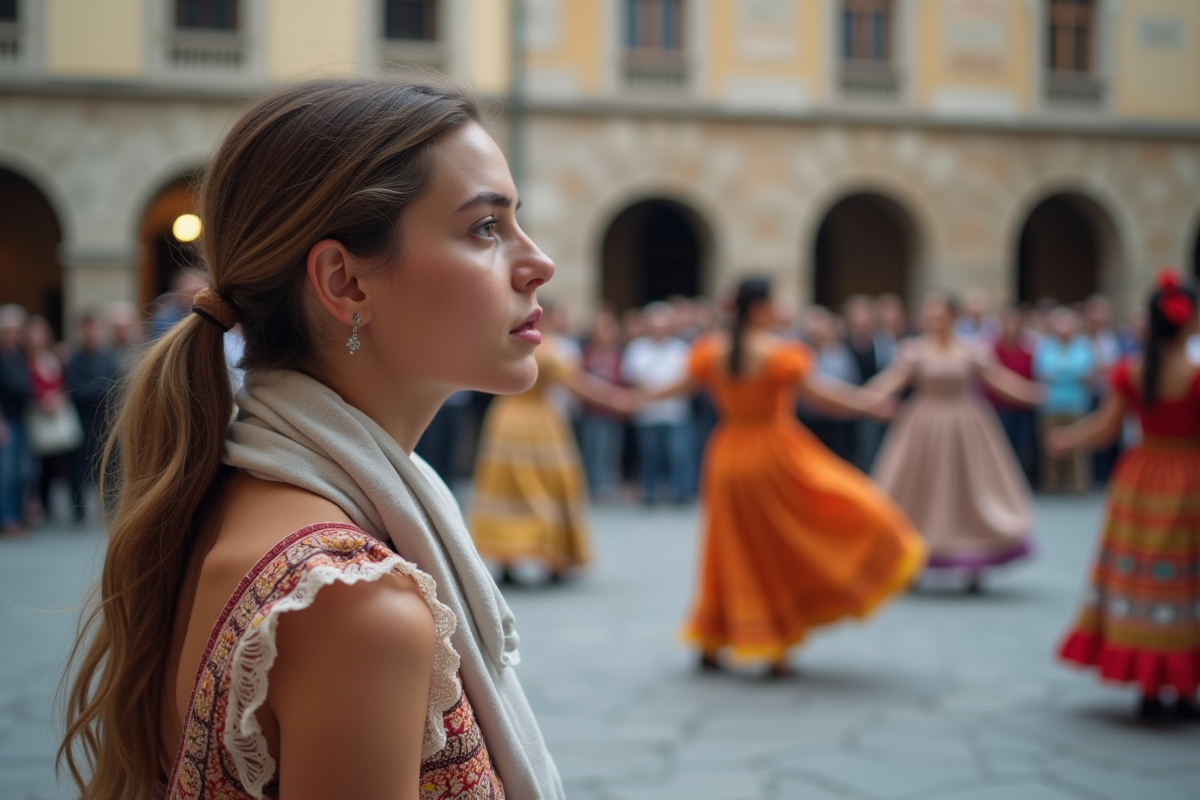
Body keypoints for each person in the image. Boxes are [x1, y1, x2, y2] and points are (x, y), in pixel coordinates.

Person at [60, 79, 564, 800]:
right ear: (345, 282)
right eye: (486, 227)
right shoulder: (350, 605)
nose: (537, 262)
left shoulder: (235, 492)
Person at [646, 277, 924, 675]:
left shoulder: (712, 350)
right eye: (777, 301)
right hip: (774, 453)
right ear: (758, 308)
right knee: (774, 545)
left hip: (727, 456)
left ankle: (712, 641)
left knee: (730, 548)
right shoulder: (779, 353)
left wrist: (630, 398)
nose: (783, 307)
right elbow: (821, 396)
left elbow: (675, 388)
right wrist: (866, 405)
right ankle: (772, 646)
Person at [1049, 270, 1200, 721]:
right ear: (1190, 323)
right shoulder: (1194, 376)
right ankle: (1183, 687)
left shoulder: (1131, 372)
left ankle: (1149, 687)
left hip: (1140, 479)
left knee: (1142, 578)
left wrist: (1069, 439)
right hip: (1190, 480)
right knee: (1184, 580)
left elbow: (1104, 430)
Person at [870, 291, 1043, 592]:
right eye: (929, 314)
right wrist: (859, 399)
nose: (932, 320)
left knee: (968, 492)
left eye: (938, 314)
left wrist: (1033, 394)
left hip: (966, 427)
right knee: (918, 493)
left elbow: (998, 380)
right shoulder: (914, 350)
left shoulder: (971, 350)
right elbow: (890, 382)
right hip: (923, 428)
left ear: (953, 316)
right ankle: (913, 561)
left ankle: (974, 563)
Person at [470, 331, 631, 584]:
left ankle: (507, 559)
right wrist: (618, 400)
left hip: (507, 420)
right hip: (541, 422)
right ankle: (555, 557)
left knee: (508, 488)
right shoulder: (548, 349)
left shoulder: (500, 341)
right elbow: (577, 384)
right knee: (551, 487)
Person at [622, 302, 694, 504]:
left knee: (679, 453)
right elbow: (634, 377)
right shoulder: (637, 348)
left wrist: (658, 390)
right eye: (655, 326)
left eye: (663, 326)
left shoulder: (681, 348)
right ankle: (649, 492)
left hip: (675, 412)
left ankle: (681, 492)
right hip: (647, 413)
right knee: (649, 455)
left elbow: (687, 378)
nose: (659, 330)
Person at [64, 311, 120, 521]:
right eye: (86, 328)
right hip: (81, 419)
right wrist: (100, 390)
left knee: (107, 463)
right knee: (79, 465)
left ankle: (109, 504)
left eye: (93, 328)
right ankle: (78, 508)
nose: (90, 333)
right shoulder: (73, 359)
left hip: (104, 418)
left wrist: (98, 391)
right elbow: (75, 389)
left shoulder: (107, 356)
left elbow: (115, 383)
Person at [1034, 307, 1096, 494]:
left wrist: (1060, 373)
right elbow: (1043, 374)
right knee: (1051, 445)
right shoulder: (1045, 346)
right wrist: (1070, 372)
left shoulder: (1083, 346)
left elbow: (1086, 374)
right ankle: (1053, 483)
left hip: (1076, 404)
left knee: (1078, 444)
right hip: (1051, 404)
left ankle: (1078, 484)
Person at [26, 315, 80, 524]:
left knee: (66, 455)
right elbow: (25, 386)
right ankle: (42, 502)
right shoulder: (25, 360)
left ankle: (68, 503)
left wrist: (59, 397)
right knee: (41, 461)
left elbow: (64, 382)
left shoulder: (54, 357)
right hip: (37, 414)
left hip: (58, 412)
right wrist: (41, 400)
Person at [797, 306, 859, 464]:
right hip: (806, 422)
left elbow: (850, 385)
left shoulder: (840, 354)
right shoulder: (799, 353)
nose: (816, 331)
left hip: (835, 423)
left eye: (820, 325)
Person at [579, 305, 626, 500]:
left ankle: (606, 482)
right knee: (591, 447)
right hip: (592, 412)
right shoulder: (586, 353)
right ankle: (591, 484)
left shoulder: (618, 354)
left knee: (610, 448)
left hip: (613, 412)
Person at [989, 306, 1039, 486]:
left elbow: (1033, 375)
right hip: (999, 407)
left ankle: (1014, 483)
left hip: (1022, 408)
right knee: (999, 447)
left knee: (1019, 447)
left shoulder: (1028, 350)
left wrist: (1030, 394)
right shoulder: (992, 349)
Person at [844, 295, 893, 471]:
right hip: (845, 405)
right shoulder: (843, 343)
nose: (861, 319)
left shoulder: (882, 343)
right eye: (857, 314)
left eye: (865, 314)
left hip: (873, 406)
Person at [0, 304, 31, 536]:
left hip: (22, 419)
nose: (12, 335)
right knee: (7, 473)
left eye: (16, 330)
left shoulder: (20, 356)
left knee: (23, 471)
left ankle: (18, 515)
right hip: (6, 421)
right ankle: (8, 519)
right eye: (8, 330)